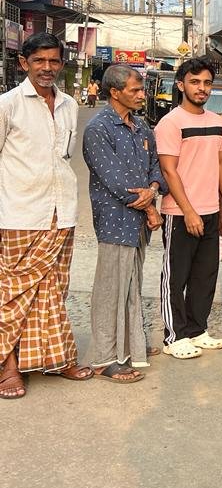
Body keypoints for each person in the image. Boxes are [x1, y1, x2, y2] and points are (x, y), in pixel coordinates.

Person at [0, 33, 93, 399]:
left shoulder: (69, 104)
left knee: (53, 292)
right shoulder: (8, 105)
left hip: (61, 213)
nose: (47, 68)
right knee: (12, 294)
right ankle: (8, 368)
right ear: (24, 64)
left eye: (54, 61)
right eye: (39, 61)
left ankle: (56, 358)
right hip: (18, 213)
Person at [82, 65, 164, 383]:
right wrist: (151, 209)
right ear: (115, 93)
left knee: (131, 286)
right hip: (116, 221)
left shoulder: (141, 126)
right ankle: (104, 358)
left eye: (142, 89)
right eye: (135, 89)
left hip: (138, 223)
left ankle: (131, 346)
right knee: (110, 289)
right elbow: (118, 183)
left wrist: (154, 190)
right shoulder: (98, 128)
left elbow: (155, 166)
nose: (142, 94)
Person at [155, 57, 222, 360]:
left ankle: (196, 329)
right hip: (179, 213)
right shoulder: (171, 123)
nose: (201, 88)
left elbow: (221, 164)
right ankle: (173, 336)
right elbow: (169, 171)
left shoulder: (219, 122)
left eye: (206, 82)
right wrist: (188, 210)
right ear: (181, 85)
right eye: (195, 82)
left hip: (210, 210)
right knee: (176, 277)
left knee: (205, 275)